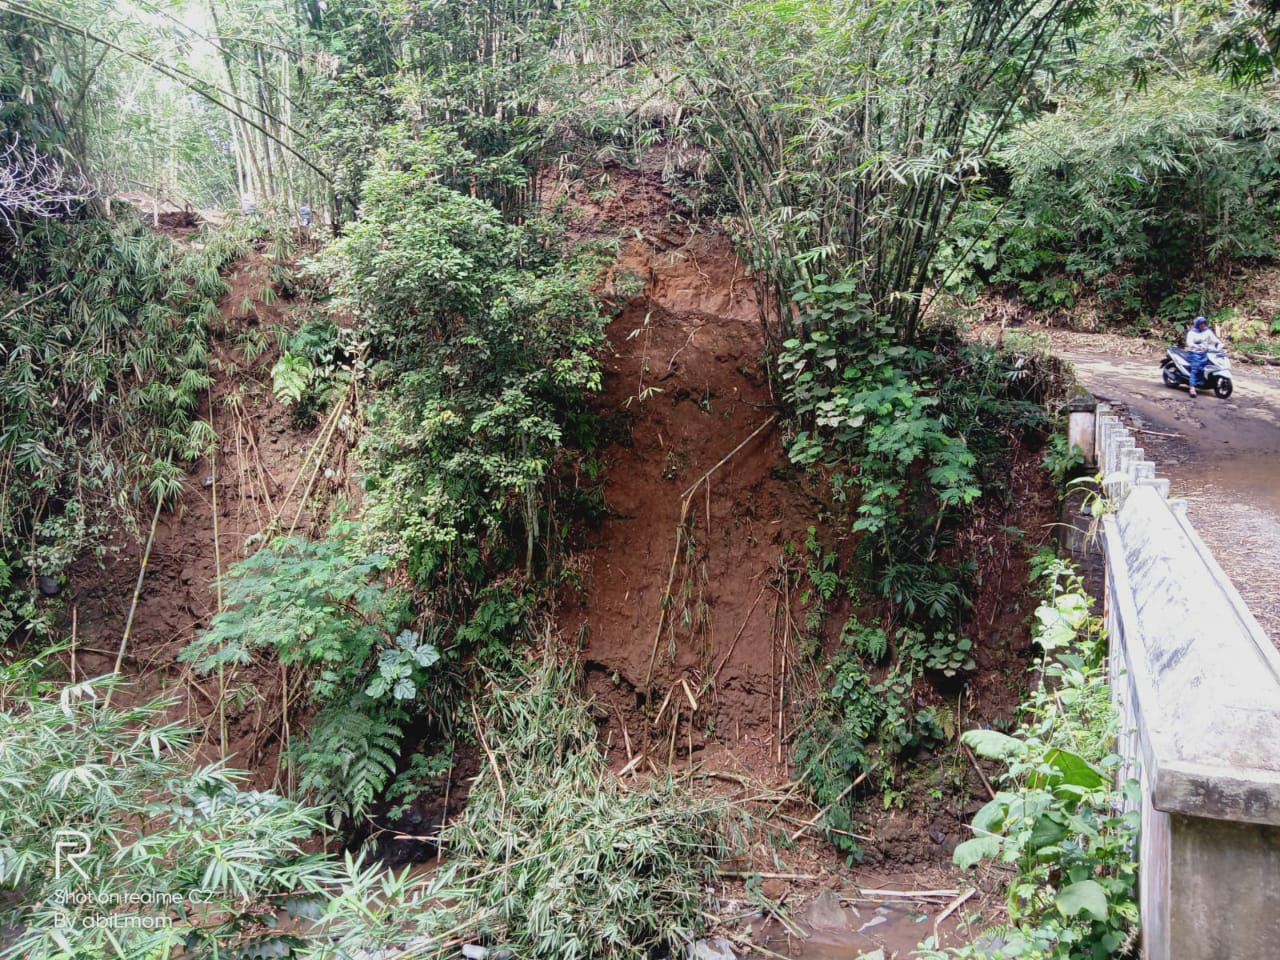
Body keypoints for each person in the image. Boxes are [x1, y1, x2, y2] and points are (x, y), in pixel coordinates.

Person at [1184, 315, 1222, 398]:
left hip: (1205, 353)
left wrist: (1220, 344)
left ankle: (1202, 382)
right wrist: (1195, 346)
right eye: (1201, 323)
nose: (1203, 325)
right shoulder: (1192, 332)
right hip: (1194, 353)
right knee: (1195, 369)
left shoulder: (1207, 331)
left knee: (1207, 367)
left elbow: (1214, 340)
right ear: (1197, 324)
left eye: (1204, 323)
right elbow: (1189, 343)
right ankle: (1192, 388)